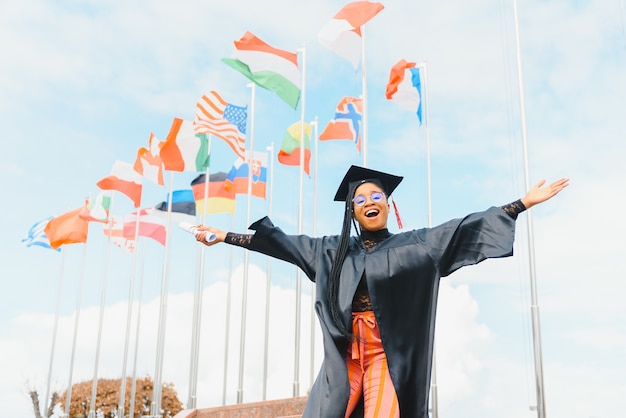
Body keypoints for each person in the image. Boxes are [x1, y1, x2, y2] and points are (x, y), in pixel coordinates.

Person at [194, 165, 569, 418]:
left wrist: (522, 203)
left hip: (385, 352)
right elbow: (279, 244)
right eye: (360, 200)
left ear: (387, 204)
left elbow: (464, 229)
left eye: (376, 197)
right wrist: (223, 236)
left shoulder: (417, 244)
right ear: (352, 213)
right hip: (345, 353)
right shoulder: (330, 250)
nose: (369, 202)